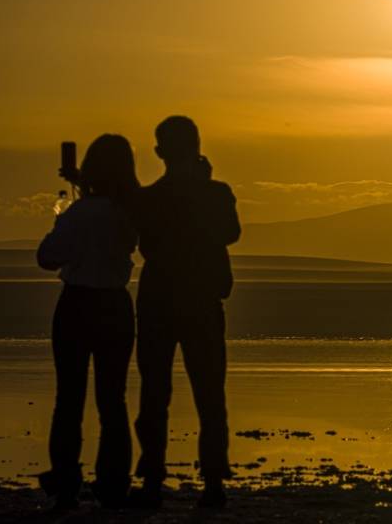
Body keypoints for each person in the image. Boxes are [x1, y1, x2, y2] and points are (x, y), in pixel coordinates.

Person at [131, 116, 241, 509]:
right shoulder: (216, 193)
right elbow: (230, 232)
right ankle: (213, 481)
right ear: (196, 147)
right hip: (201, 299)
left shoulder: (150, 198)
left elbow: (142, 241)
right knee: (209, 393)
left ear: (160, 152)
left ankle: (152, 480)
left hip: (160, 299)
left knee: (155, 391)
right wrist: (204, 184)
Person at [36, 134, 140, 511]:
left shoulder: (79, 214)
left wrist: (61, 219)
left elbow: (47, 257)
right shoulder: (129, 211)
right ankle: (114, 485)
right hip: (115, 305)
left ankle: (65, 484)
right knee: (113, 400)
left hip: (77, 305)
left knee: (69, 399)